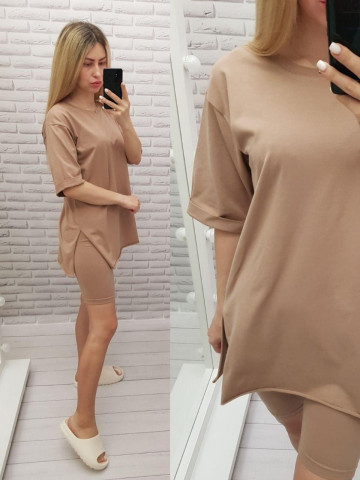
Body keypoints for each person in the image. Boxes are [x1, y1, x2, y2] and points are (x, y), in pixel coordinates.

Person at [186, 0, 360, 479]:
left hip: (347, 333)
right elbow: (229, 215)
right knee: (301, 436)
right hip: (263, 320)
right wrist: (224, 306)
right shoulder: (233, 76)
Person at [41, 21, 142, 470]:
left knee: (89, 306)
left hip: (108, 227)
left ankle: (90, 372)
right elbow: (69, 184)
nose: (97, 73)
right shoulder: (59, 118)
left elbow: (134, 155)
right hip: (87, 231)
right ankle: (80, 421)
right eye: (87, 64)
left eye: (102, 62)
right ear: (70, 65)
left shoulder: (107, 106)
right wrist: (121, 199)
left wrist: (124, 119)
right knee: (106, 322)